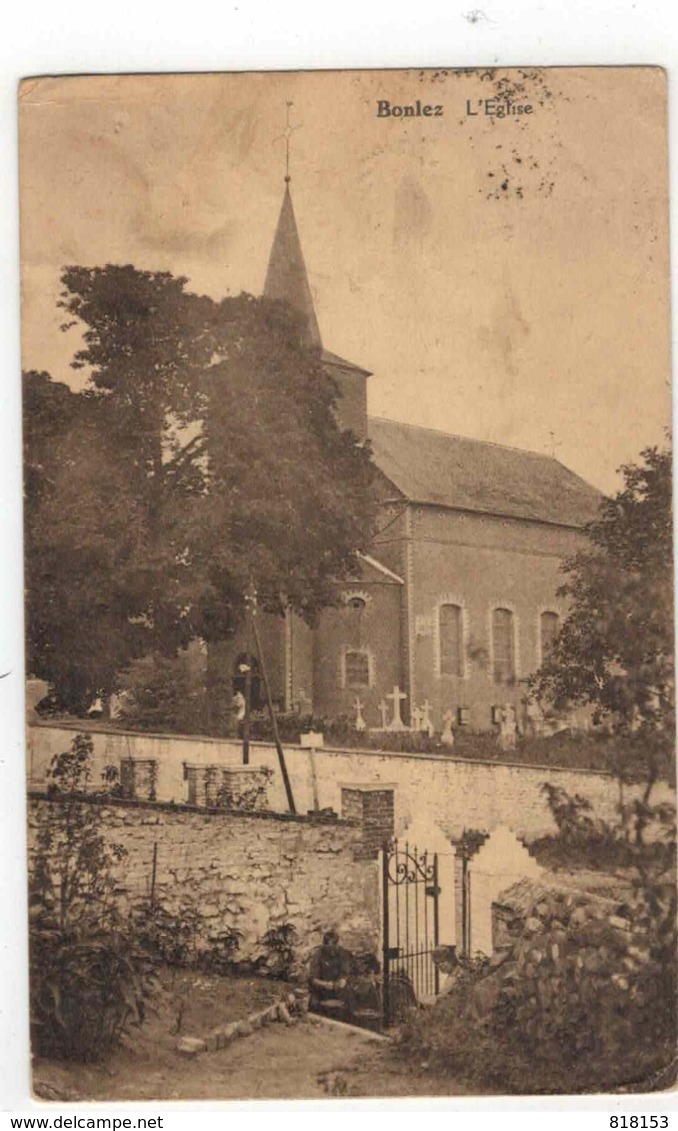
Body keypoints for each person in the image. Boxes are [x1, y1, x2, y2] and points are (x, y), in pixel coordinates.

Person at [307, 929, 352, 1014]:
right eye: (329, 948)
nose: (332, 951)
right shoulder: (318, 954)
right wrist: (324, 984)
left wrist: (343, 980)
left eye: (334, 947)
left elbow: (345, 972)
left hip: (337, 989)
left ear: (337, 944)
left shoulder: (343, 953)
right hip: (321, 990)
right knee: (315, 1006)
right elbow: (313, 978)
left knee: (346, 1005)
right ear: (324, 945)